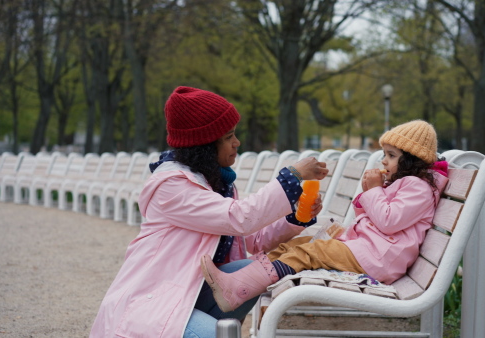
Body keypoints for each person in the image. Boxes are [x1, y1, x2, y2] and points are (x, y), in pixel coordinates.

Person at [89, 86, 328, 338]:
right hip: (154, 300)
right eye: (228, 137)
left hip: (188, 291)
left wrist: (297, 218)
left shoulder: (216, 183)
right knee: (217, 334)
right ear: (204, 144)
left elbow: (253, 240)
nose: (237, 143)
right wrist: (292, 175)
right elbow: (238, 218)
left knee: (251, 271)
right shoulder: (172, 185)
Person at [201, 120, 449, 313]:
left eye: (392, 155)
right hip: (370, 251)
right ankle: (240, 281)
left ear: (413, 159)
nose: (384, 160)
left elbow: (388, 221)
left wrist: (374, 191)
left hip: (379, 259)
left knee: (312, 251)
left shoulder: (418, 187)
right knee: (296, 245)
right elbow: (376, 219)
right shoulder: (406, 184)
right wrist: (373, 192)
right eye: (385, 153)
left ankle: (239, 288)